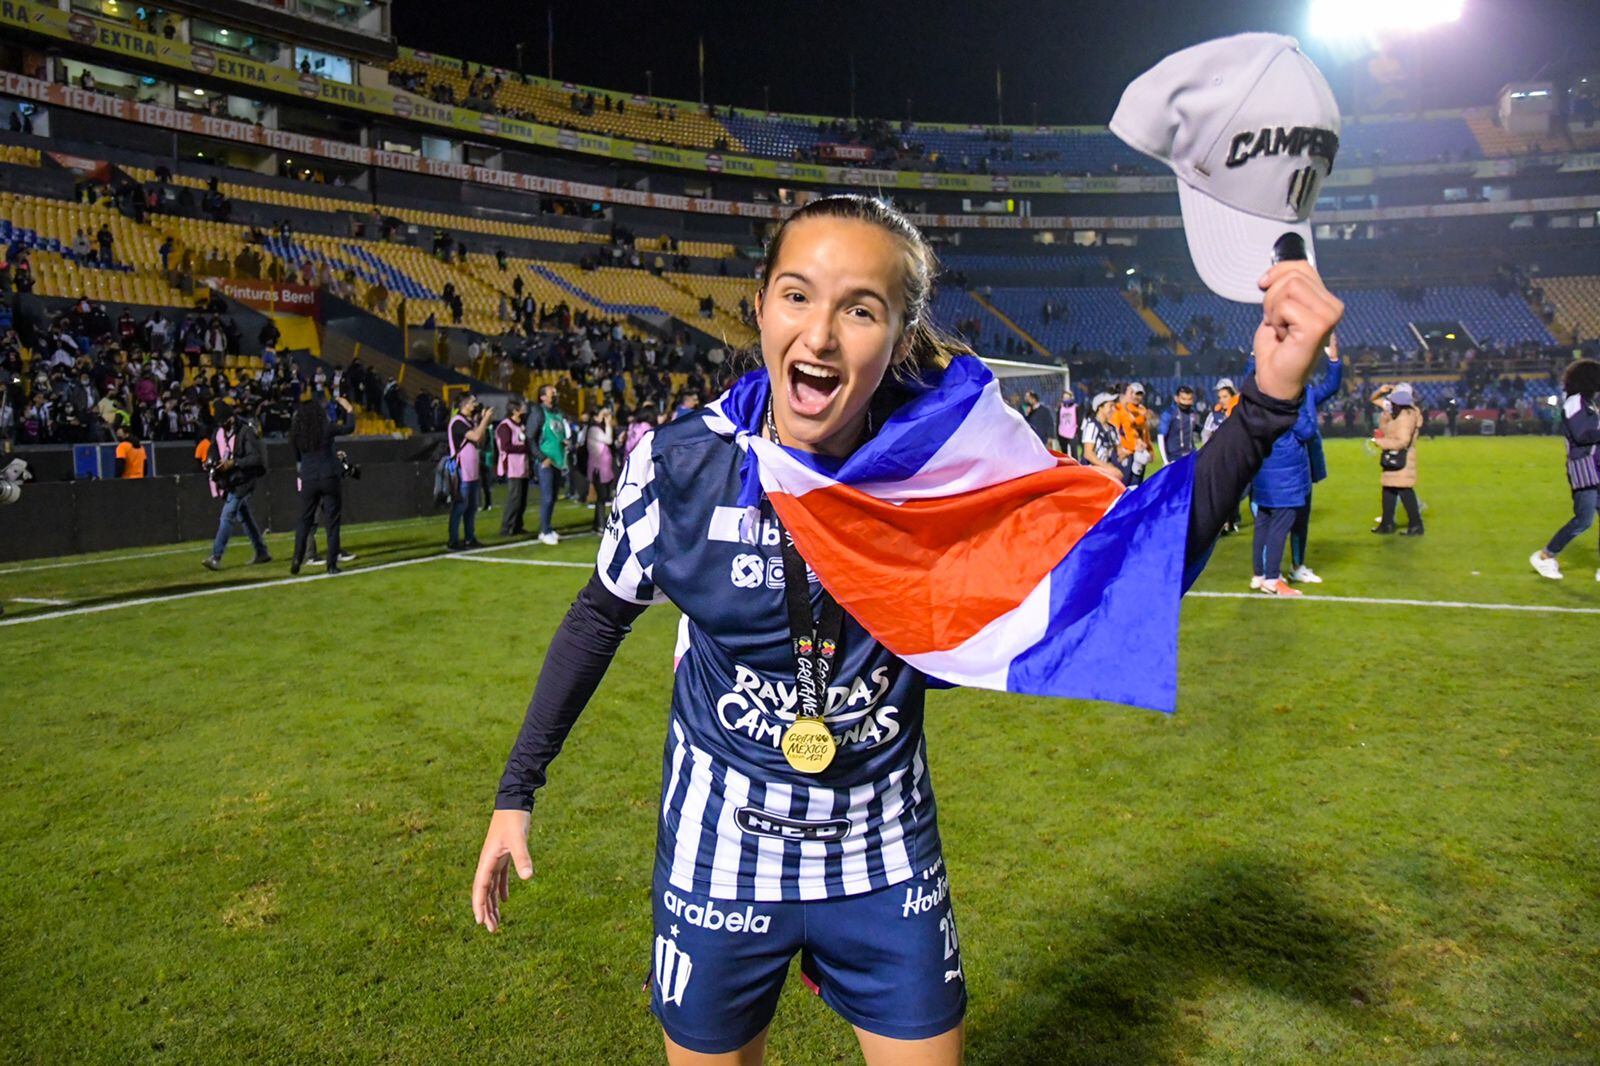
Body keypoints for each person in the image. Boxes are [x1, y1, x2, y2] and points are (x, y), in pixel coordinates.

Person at [470, 194, 1343, 1064]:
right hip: (719, 856)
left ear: (898, 338)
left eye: (860, 310)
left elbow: (1126, 558)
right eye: (797, 295)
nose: (819, 335)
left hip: (884, 857)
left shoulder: (952, 473)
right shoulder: (679, 467)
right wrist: (516, 791)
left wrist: (1267, 401)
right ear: (761, 307)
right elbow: (598, 617)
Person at [1530, 358, 1600, 581]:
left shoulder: (1588, 403)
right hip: (1583, 469)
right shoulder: (1574, 402)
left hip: (1595, 467)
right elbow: (1582, 435)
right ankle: (1545, 556)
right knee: (1584, 519)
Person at [289, 394, 355, 575]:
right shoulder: (326, 427)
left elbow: (298, 457)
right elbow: (349, 427)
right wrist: (349, 409)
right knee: (332, 522)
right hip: (328, 476)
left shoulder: (296, 433)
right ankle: (331, 565)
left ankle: (297, 558)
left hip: (309, 478)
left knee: (304, 520)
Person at [203, 401, 271, 570]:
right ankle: (261, 552)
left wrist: (234, 463)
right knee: (244, 516)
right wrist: (210, 462)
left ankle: (216, 556)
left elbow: (255, 458)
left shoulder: (245, 432)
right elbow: (213, 450)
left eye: (224, 421)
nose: (222, 425)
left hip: (243, 480)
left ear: (231, 418)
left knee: (227, 515)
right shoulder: (218, 432)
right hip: (230, 480)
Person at [1371, 382, 1423, 536]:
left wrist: (1380, 442)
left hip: (1401, 457)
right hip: (1394, 455)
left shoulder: (1406, 416)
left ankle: (1415, 525)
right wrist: (1380, 390)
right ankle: (1387, 524)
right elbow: (1374, 399)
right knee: (1389, 489)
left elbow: (1402, 442)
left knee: (1404, 491)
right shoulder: (1400, 412)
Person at [447, 394, 493, 550]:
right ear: (464, 405)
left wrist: (482, 422)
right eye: (472, 402)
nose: (475, 405)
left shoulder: (469, 421)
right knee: (460, 506)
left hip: (472, 469)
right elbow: (476, 436)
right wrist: (485, 420)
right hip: (462, 470)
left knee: (472, 507)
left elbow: (481, 440)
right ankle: (453, 540)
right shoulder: (457, 422)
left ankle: (470, 538)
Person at [529, 384, 569, 546]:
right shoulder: (538, 413)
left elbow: (558, 433)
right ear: (543, 397)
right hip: (546, 461)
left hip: (558, 460)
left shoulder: (558, 413)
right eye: (552, 392)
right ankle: (545, 531)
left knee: (553, 497)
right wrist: (542, 458)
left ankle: (547, 527)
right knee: (547, 497)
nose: (555, 395)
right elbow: (530, 438)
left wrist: (564, 442)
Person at [1202, 378, 1242, 534]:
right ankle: (1223, 523)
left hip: (1235, 457)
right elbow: (1205, 434)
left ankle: (1232, 519)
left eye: (1225, 396)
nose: (1222, 400)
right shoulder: (1215, 415)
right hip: (1218, 459)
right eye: (1220, 397)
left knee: (1235, 491)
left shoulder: (1239, 412)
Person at [496, 398, 534, 536]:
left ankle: (518, 526)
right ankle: (506, 527)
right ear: (515, 410)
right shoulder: (505, 426)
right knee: (514, 498)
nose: (525, 410)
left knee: (522, 499)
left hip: (523, 466)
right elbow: (505, 446)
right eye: (522, 407)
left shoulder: (521, 425)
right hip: (512, 467)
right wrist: (525, 448)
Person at [1109, 382, 1153, 484]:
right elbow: (1115, 433)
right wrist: (1124, 449)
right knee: (1125, 486)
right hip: (1124, 454)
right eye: (1131, 392)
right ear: (1122, 395)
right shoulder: (1117, 411)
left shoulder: (1128, 411)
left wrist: (1140, 443)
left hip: (1133, 452)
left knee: (1135, 485)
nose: (1134, 396)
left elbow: (1133, 430)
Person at [1079, 391, 1127, 483]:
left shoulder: (1112, 429)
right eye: (1110, 406)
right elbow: (1088, 454)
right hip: (1091, 470)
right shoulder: (1092, 426)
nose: (1113, 409)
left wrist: (1127, 452)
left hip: (1105, 469)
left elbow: (1119, 451)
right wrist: (1109, 468)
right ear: (1100, 407)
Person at [586, 403, 617, 532]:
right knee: (602, 496)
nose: (605, 417)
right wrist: (608, 424)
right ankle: (600, 524)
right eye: (603, 415)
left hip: (603, 467)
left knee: (602, 496)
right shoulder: (594, 429)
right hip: (598, 468)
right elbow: (608, 440)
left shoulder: (599, 428)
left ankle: (597, 523)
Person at [1157, 386, 1201, 466]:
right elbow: (1161, 436)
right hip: (1174, 457)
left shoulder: (1192, 413)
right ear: (1176, 398)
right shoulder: (1169, 413)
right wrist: (1165, 461)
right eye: (1183, 399)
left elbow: (1195, 428)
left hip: (1191, 455)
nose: (1186, 403)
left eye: (1189, 399)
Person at [1057, 392, 1079, 460]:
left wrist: (1077, 432)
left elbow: (1079, 420)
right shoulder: (1060, 407)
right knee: (1064, 454)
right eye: (1064, 398)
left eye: (1067, 397)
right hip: (1062, 433)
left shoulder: (1076, 407)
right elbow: (1058, 420)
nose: (1065, 399)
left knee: (1074, 454)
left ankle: (1075, 465)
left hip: (1072, 433)